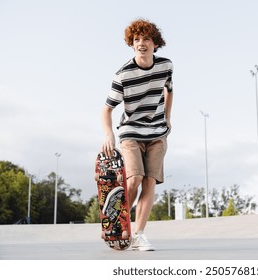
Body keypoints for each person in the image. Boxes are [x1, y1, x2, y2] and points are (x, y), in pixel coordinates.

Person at [101, 18, 173, 251]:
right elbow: (107, 109)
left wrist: (168, 118)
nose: (141, 43)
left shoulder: (166, 66)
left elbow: (169, 90)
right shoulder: (123, 75)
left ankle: (138, 235)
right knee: (134, 180)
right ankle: (116, 222)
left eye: (146, 39)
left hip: (157, 132)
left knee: (149, 181)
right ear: (132, 44)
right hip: (131, 132)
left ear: (155, 44)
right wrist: (108, 134)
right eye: (136, 40)